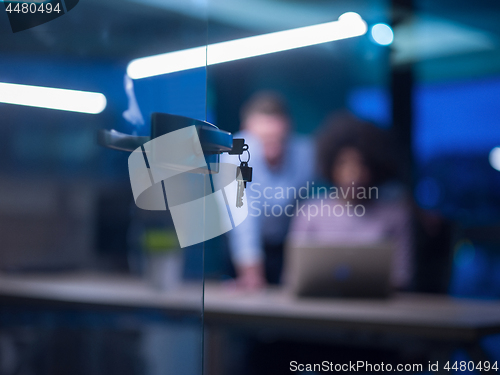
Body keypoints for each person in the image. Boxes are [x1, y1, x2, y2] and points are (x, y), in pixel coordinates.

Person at [287, 112, 413, 289]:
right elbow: (292, 276)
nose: (352, 173)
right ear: (330, 166)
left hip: (377, 311)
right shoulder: (309, 212)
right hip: (320, 308)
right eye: (343, 163)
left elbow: (401, 276)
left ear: (374, 167)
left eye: (361, 163)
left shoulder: (394, 216)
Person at [223, 91, 314, 289]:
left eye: (279, 139)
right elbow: (242, 218)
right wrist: (251, 274)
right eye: (264, 139)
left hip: (289, 244)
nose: (272, 149)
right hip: (245, 248)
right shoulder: (234, 154)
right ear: (246, 132)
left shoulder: (306, 153)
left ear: (288, 129)